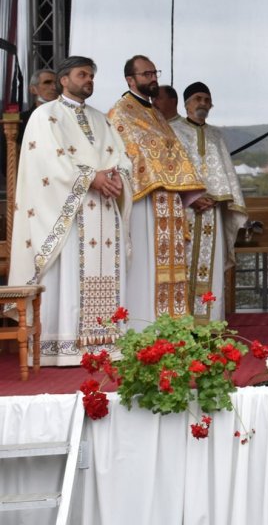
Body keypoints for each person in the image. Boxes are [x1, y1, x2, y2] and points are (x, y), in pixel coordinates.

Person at [8, 57, 132, 365]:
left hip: (103, 210)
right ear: (65, 80)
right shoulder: (45, 116)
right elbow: (48, 163)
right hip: (70, 214)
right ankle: (62, 347)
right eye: (82, 74)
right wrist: (92, 177)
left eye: (91, 75)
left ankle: (105, 342)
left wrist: (117, 177)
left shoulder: (101, 118)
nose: (88, 80)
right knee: (69, 275)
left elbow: (122, 155)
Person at [108, 55, 205, 321]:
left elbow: (173, 153)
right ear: (131, 79)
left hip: (168, 200)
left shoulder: (155, 114)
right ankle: (142, 324)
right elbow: (130, 156)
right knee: (145, 261)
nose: (153, 78)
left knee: (169, 264)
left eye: (154, 73)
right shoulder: (121, 112)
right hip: (143, 200)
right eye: (146, 74)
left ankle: (169, 325)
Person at [170, 82, 248, 322]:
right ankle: (181, 321)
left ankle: (208, 321)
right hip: (182, 210)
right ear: (186, 104)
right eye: (197, 99)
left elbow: (226, 174)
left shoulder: (216, 135)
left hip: (212, 212)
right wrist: (190, 197)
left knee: (210, 267)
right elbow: (170, 170)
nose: (202, 103)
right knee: (180, 264)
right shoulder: (172, 131)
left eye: (206, 99)